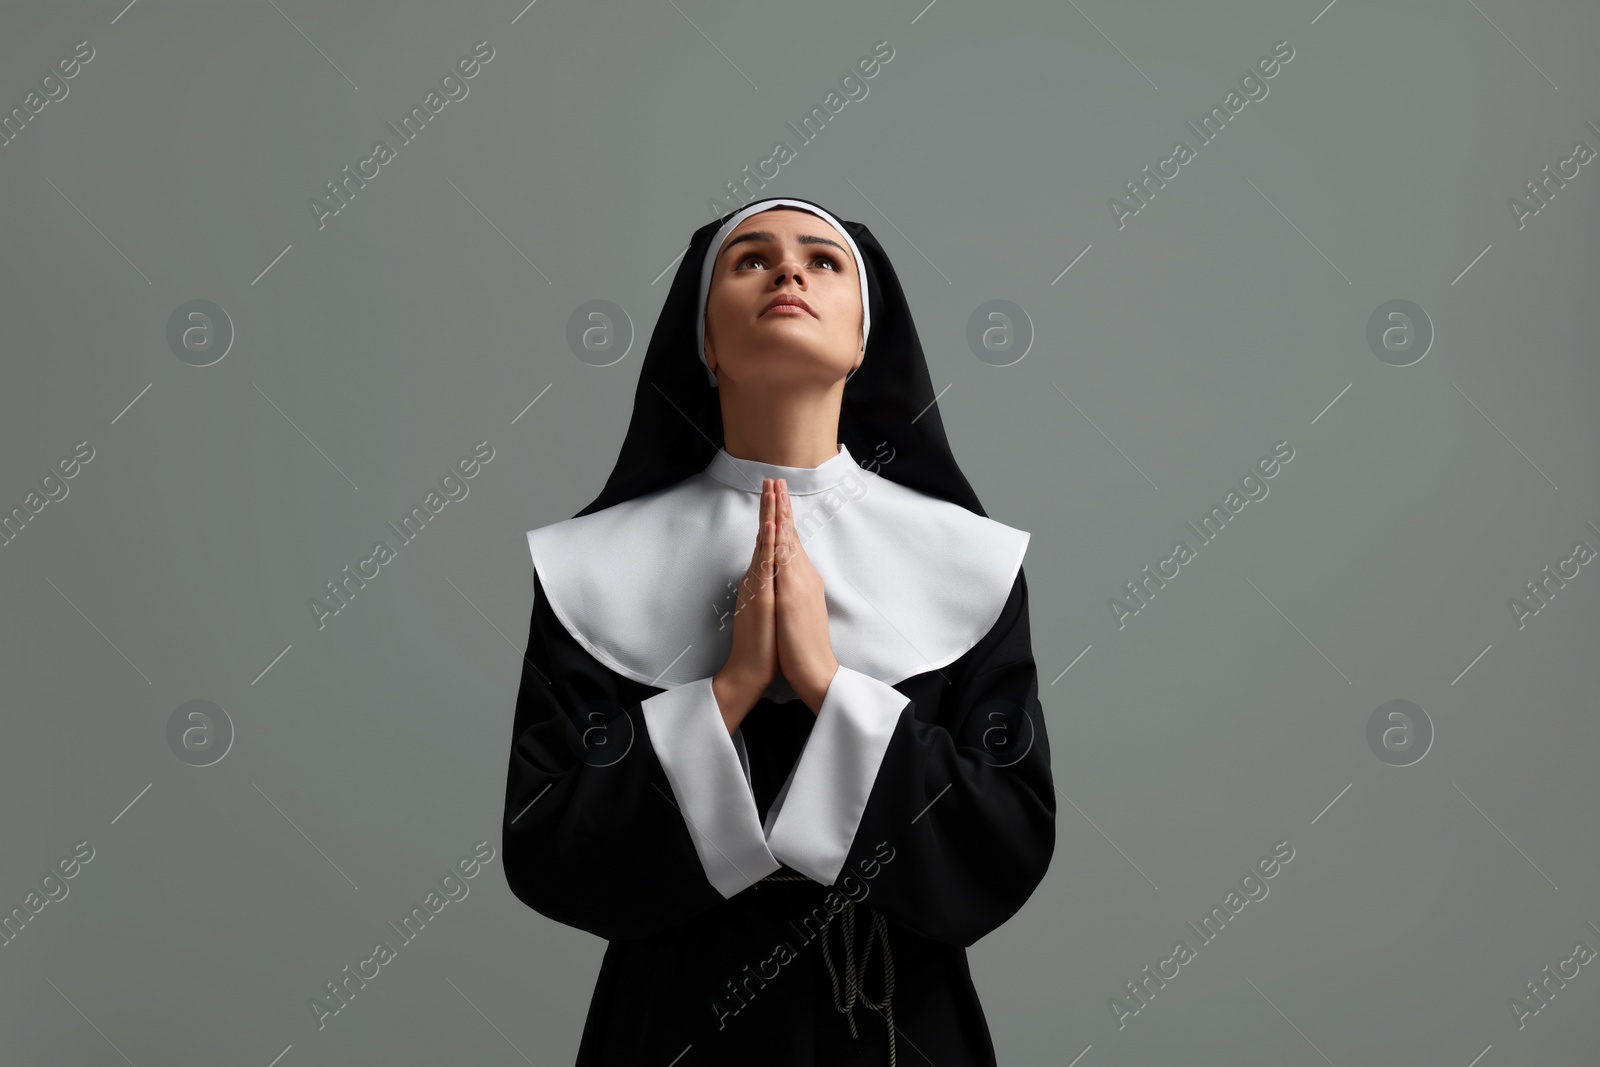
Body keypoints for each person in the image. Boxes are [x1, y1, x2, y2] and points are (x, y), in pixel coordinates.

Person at [501, 195, 1055, 1065]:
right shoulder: (591, 565)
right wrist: (727, 692)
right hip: (671, 1023)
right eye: (750, 259)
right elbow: (545, 843)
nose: (790, 272)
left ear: (866, 337)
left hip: (897, 1021)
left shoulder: (967, 560)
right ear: (705, 341)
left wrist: (832, 685)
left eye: (823, 261)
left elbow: (1006, 842)